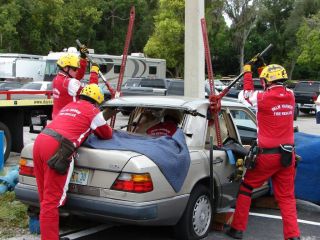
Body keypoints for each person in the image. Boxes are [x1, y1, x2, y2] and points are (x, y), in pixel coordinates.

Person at [226, 64, 301, 240]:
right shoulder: (290, 95)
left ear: (266, 82)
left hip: (267, 155)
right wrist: (265, 70)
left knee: (246, 187)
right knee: (287, 197)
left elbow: (244, 95)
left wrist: (247, 73)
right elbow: (275, 84)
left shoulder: (262, 97)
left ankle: (237, 229)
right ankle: (293, 236)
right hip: (287, 155)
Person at [33, 84, 114, 240]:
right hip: (58, 147)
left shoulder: (70, 105)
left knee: (44, 197)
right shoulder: (93, 111)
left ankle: (49, 236)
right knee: (51, 201)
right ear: (97, 102)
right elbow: (106, 134)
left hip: (41, 141)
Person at [52, 45, 100, 119]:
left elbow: (77, 76)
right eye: (75, 69)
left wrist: (83, 59)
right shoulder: (69, 83)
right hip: (69, 120)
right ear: (65, 68)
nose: (77, 71)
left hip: (57, 118)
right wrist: (94, 73)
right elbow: (92, 91)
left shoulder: (57, 79)